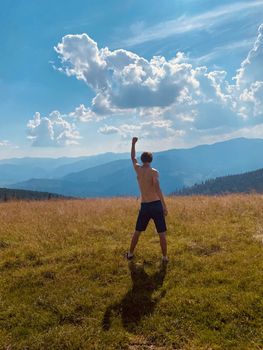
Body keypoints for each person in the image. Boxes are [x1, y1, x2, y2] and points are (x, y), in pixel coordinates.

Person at [126, 137, 168, 262]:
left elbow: (133, 158)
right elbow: (157, 189)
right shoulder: (154, 172)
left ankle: (130, 254)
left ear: (142, 159)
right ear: (151, 160)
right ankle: (164, 257)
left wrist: (133, 143)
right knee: (161, 233)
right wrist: (164, 206)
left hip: (144, 206)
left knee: (137, 231)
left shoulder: (138, 170)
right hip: (155, 205)